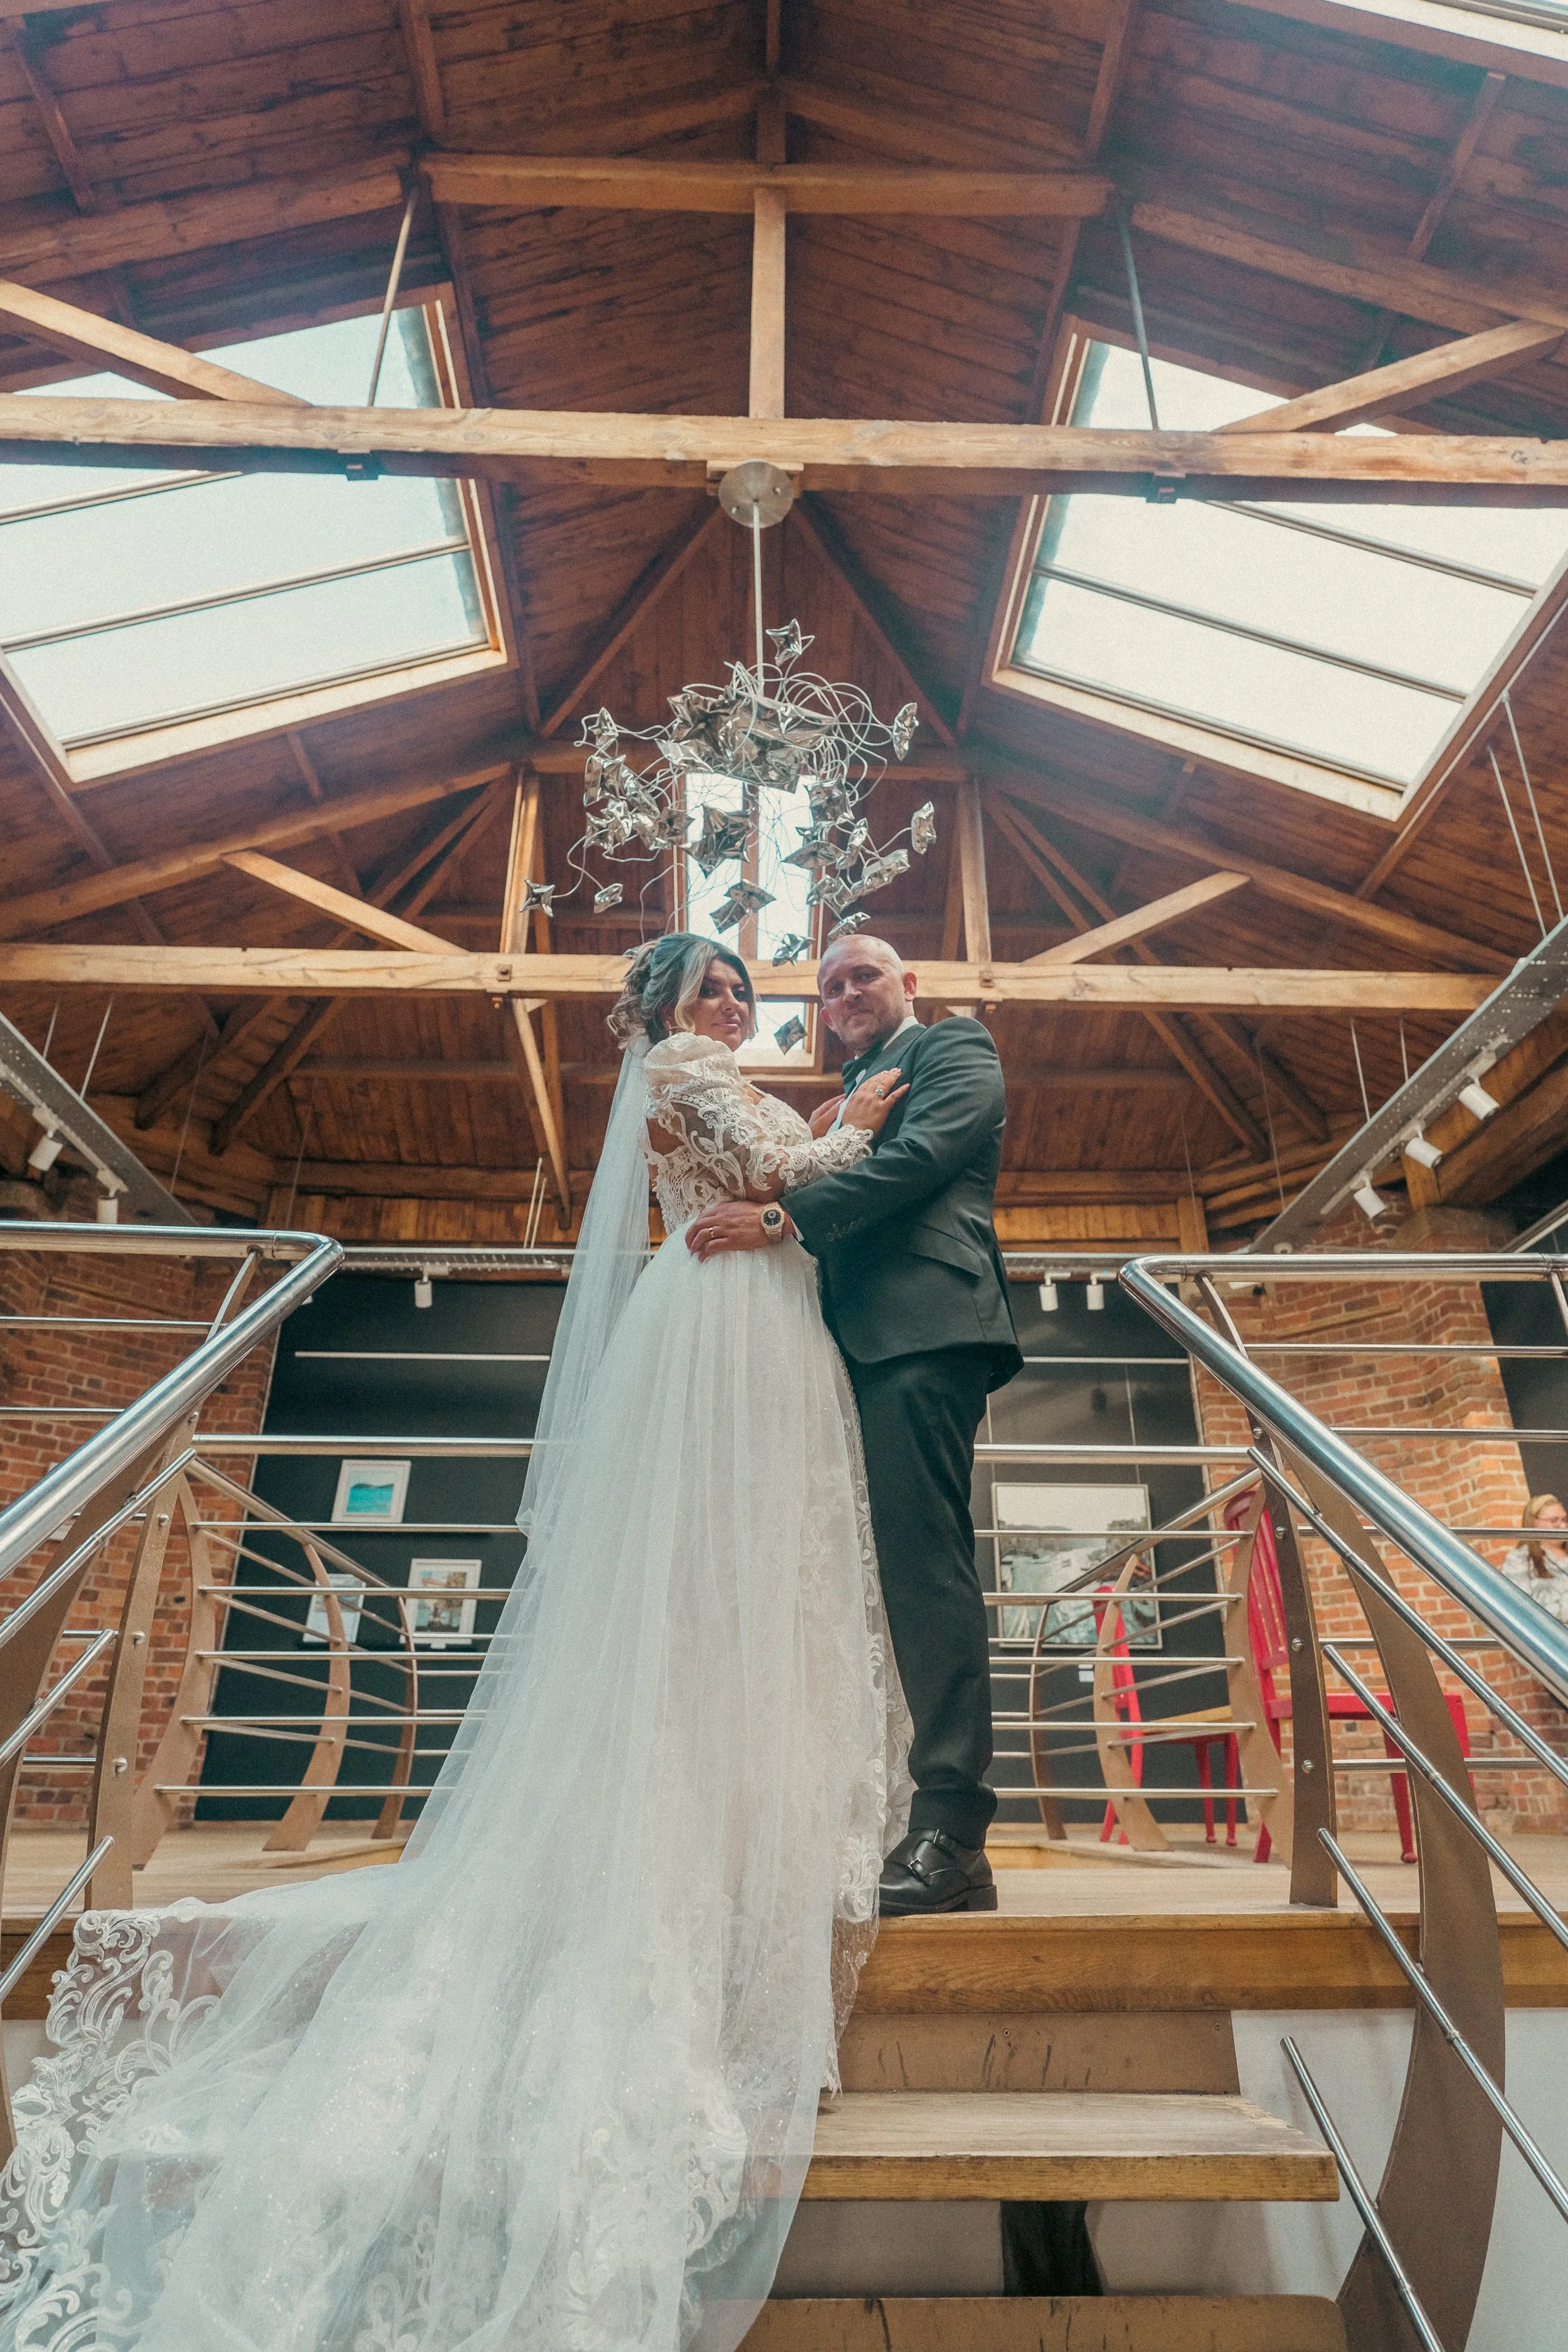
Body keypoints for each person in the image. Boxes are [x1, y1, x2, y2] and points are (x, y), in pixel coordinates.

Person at [0, 935, 911, 2352]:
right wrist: (850, 1124)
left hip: (767, 1326)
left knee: (767, 1593)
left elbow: (783, 1208)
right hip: (719, 1333)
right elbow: (788, 1175)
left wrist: (796, 1203)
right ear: (663, 1004)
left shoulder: (721, 1074)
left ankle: (754, 1827)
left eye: (743, 985)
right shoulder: (681, 1071)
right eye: (709, 982)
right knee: (691, 1603)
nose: (733, 1000)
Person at [686, 935, 1020, 1915]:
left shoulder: (952, 1048)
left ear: (909, 983)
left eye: (862, 975)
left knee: (924, 1574)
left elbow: (921, 1159)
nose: (844, 994)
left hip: (922, 1331)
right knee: (853, 1585)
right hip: (835, 1349)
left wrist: (784, 1222)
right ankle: (880, 1817)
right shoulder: (844, 1094)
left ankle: (953, 1834)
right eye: (828, 988)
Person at [1498, 1492, 1568, 1628]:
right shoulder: (1519, 1560)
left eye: (1565, 1520)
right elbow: (1520, 1608)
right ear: (1534, 1522)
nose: (1562, 1526)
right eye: (1554, 1521)